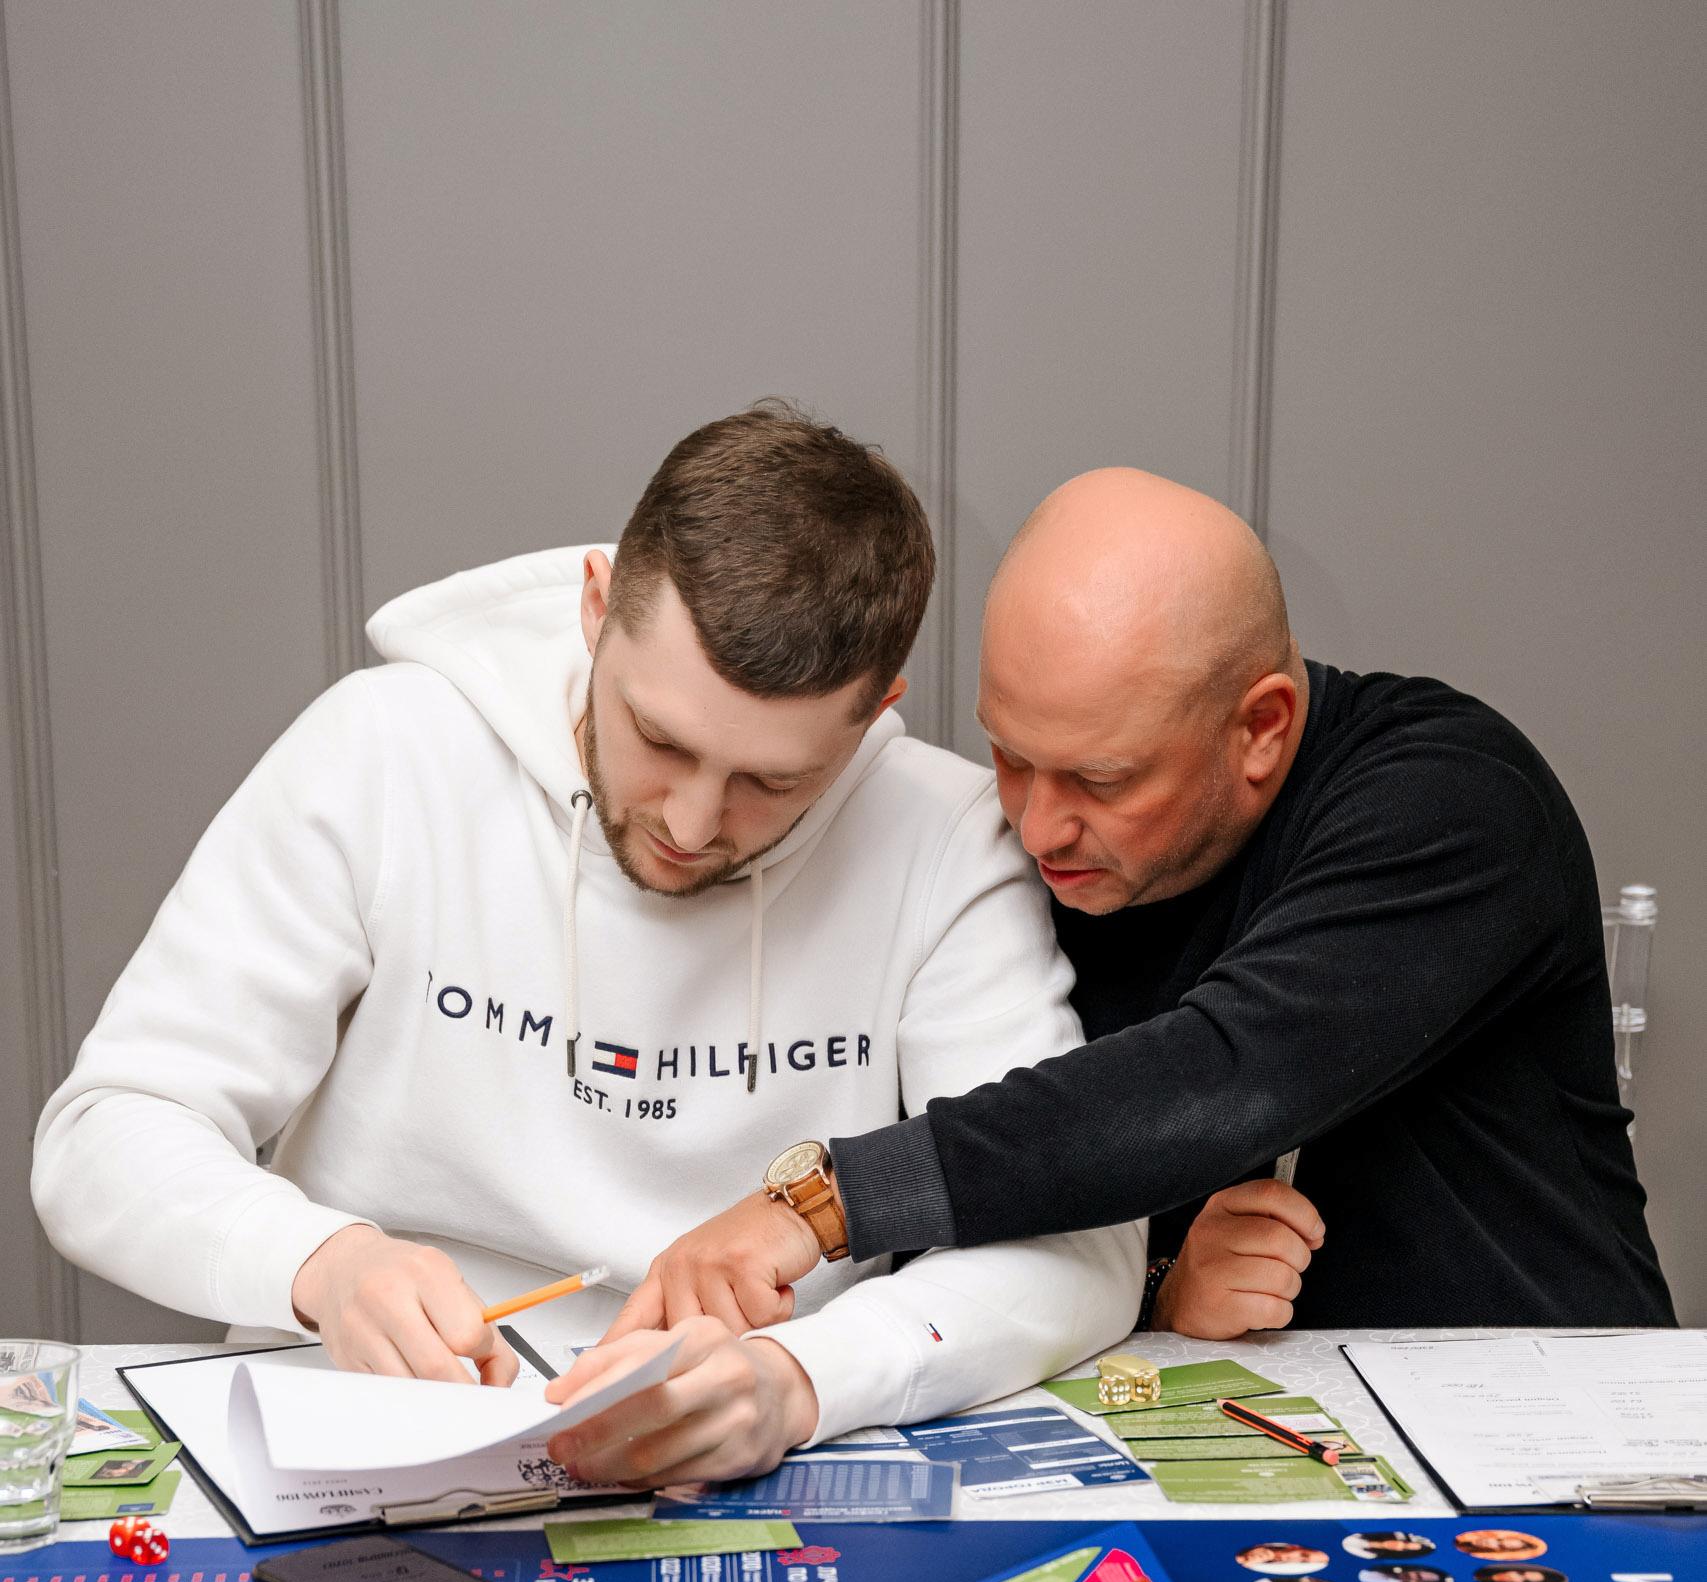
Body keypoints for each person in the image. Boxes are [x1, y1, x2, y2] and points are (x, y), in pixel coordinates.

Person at [31, 407, 1142, 1487]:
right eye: (660, 737)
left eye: (772, 781)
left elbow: (1079, 1243)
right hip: (352, 1439)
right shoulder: (383, 753)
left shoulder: (945, 843)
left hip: (744, 1469)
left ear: (873, 710)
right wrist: (321, 1264)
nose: (692, 823)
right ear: (597, 607)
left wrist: (803, 1379)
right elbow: (104, 1136)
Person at [615, 470, 1673, 1341]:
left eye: (1101, 779)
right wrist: (1161, 1289)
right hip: (1251, 1455)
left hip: (1565, 1452)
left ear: (1262, 728)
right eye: (1009, 756)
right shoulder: (1031, 859)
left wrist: (827, 1199)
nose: (1037, 828)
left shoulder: (1454, 803)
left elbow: (1224, 1076)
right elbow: (1037, 1182)